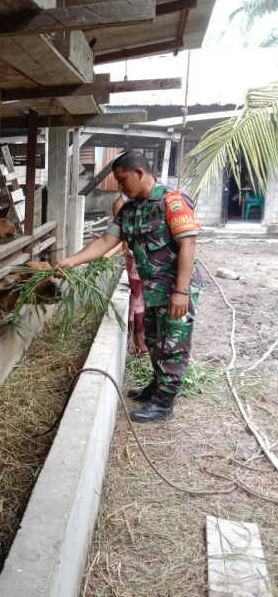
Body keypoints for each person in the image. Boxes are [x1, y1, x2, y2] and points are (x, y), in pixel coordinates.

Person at [56, 151, 203, 423]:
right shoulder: (130, 210)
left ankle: (164, 403)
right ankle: (157, 386)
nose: (120, 187)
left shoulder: (173, 201)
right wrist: (70, 261)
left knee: (173, 343)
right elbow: (105, 242)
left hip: (175, 291)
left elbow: (188, 245)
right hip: (153, 290)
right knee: (154, 339)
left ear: (139, 173)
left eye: (123, 180)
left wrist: (181, 291)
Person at [112, 192, 148, 356]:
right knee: (138, 304)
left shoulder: (166, 201)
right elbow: (116, 238)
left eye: (123, 179)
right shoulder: (123, 205)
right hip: (134, 261)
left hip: (157, 274)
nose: (120, 186)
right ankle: (138, 344)